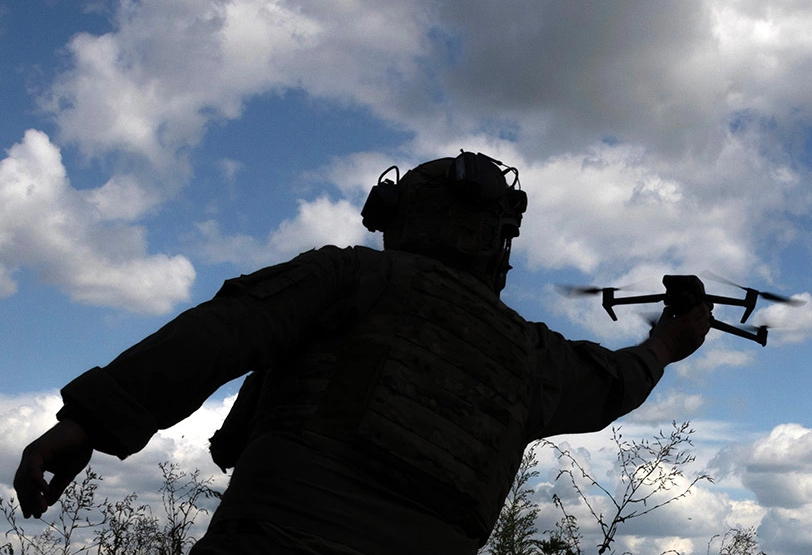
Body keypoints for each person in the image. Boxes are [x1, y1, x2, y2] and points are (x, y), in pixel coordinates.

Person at [14, 151, 713, 554]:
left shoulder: (350, 277)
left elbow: (222, 331)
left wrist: (87, 424)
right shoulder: (532, 355)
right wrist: (667, 341)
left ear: (401, 217)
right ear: (498, 239)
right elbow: (618, 379)